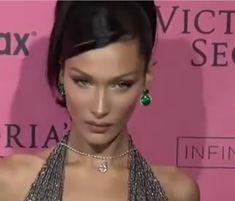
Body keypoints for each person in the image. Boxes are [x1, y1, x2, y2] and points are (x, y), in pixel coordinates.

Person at [0, 1, 200, 201]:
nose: (100, 108)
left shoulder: (176, 192)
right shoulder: (12, 182)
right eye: (83, 81)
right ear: (62, 73)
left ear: (146, 77)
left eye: (121, 84)